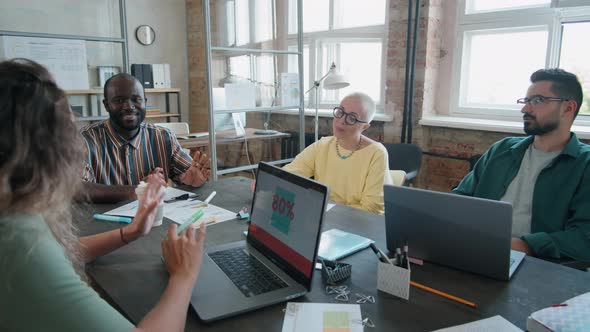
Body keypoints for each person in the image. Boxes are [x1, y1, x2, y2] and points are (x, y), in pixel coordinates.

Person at [0, 58, 206, 331]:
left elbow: (59, 252)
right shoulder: (16, 242)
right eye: (65, 127)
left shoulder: (16, 217)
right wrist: (184, 276)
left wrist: (129, 233)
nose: (72, 142)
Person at [453, 68, 590, 262]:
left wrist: (518, 245)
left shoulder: (584, 165)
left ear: (568, 108)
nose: (525, 109)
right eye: (526, 101)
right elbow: (461, 198)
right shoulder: (502, 150)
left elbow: (584, 238)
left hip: (539, 264)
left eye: (538, 100)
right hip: (476, 250)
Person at [80, 73, 211, 202]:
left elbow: (186, 174)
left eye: (136, 100)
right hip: (104, 222)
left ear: (145, 102)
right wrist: (137, 190)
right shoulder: (85, 140)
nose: (129, 106)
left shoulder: (163, 137)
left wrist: (191, 181)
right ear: (106, 105)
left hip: (156, 219)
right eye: (119, 100)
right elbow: (75, 188)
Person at [282, 92, 392, 214]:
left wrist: (325, 209)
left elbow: (372, 209)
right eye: (340, 112)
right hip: (324, 218)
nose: (341, 121)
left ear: (364, 127)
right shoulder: (322, 145)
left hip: (356, 225)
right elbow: (288, 175)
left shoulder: (376, 154)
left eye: (351, 118)